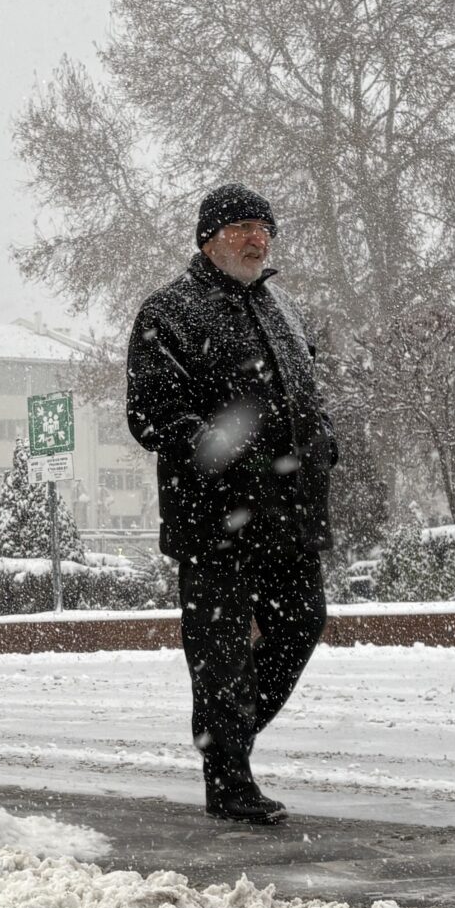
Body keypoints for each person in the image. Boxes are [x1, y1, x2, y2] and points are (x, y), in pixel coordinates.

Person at [126, 182, 337, 825]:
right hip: (212, 519)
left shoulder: (281, 308)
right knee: (219, 651)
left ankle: (232, 738)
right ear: (210, 237)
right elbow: (151, 413)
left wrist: (322, 440)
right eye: (244, 227)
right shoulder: (169, 312)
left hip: (288, 513)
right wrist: (214, 444)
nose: (258, 238)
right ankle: (228, 779)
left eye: (265, 228)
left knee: (301, 624)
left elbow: (306, 392)